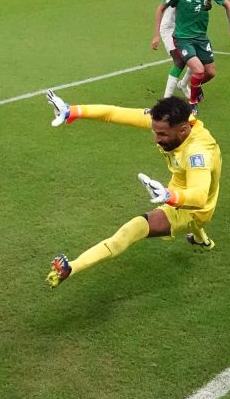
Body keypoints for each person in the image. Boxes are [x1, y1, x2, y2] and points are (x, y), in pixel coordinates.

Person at [44, 93, 220, 288]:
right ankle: (201, 239)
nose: (156, 139)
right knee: (183, 213)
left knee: (133, 229)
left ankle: (72, 267)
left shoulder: (198, 153)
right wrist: (73, 111)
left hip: (193, 207)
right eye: (155, 132)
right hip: (180, 187)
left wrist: (169, 196)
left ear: (183, 130)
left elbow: (200, 197)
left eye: (162, 134)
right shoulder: (170, 122)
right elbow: (113, 113)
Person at [151, 0, 230, 107]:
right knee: (196, 69)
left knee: (210, 73)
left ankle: (193, 86)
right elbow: (160, 8)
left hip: (201, 39)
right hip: (183, 38)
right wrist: (156, 35)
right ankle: (192, 104)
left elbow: (228, 4)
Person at [157, 0, 194, 99]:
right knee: (179, 60)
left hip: (187, 26)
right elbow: (173, 0)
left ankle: (183, 84)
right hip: (170, 25)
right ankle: (167, 100)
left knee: (196, 58)